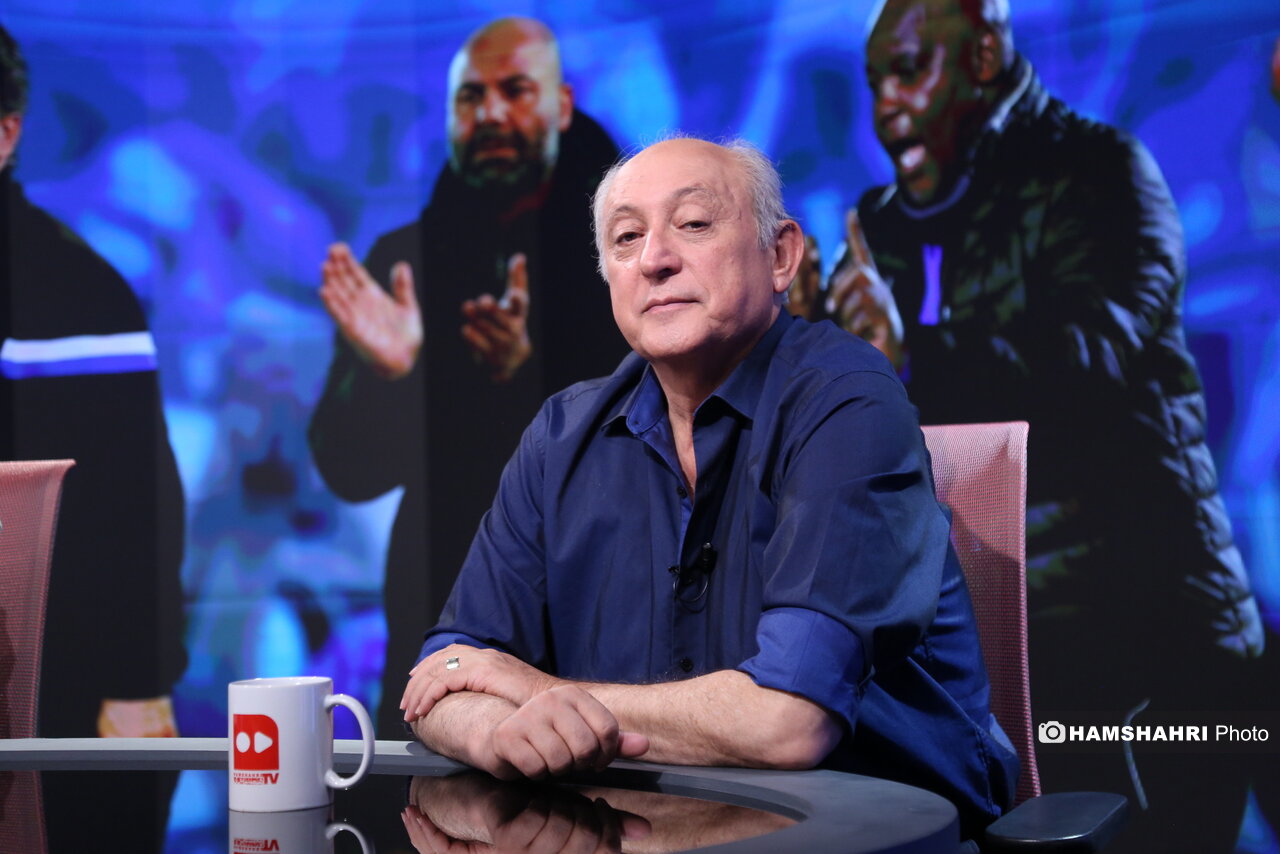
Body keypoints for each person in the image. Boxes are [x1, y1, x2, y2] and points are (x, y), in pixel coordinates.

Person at [397, 137, 1019, 839]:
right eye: (627, 238)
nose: (655, 259)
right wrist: (493, 731)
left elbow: (789, 721)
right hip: (639, 835)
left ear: (780, 255)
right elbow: (444, 672)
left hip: (872, 836)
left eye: (693, 224)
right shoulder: (561, 436)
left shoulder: (849, 401)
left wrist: (537, 691)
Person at [824, 1, 1264, 850]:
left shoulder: (1099, 169)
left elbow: (1089, 363)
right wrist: (813, 336)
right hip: (995, 648)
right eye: (874, 81)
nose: (885, 104)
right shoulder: (880, 224)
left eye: (909, 71)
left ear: (984, 58)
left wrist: (910, 350)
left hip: (1149, 638)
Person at [308, 16, 626, 738]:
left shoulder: (628, 251)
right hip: (439, 618)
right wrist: (391, 376)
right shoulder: (402, 261)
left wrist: (527, 375)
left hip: (598, 611)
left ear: (562, 106)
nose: (489, 114)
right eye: (470, 97)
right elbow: (346, 473)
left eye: (514, 91)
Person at [0, 22, 186, 851]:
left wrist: (140, 683)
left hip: (54, 708)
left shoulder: (80, 296)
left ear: (5, 134)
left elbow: (136, 508)